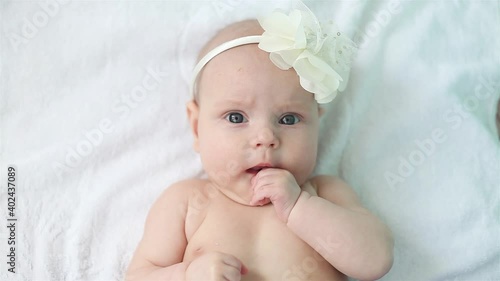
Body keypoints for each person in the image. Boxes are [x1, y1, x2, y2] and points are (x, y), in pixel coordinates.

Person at [126, 2, 394, 280]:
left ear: (317, 122)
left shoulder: (325, 194)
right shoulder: (187, 202)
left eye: (289, 119)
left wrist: (299, 207)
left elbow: (375, 261)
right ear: (196, 128)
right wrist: (186, 275)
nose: (265, 138)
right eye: (236, 117)